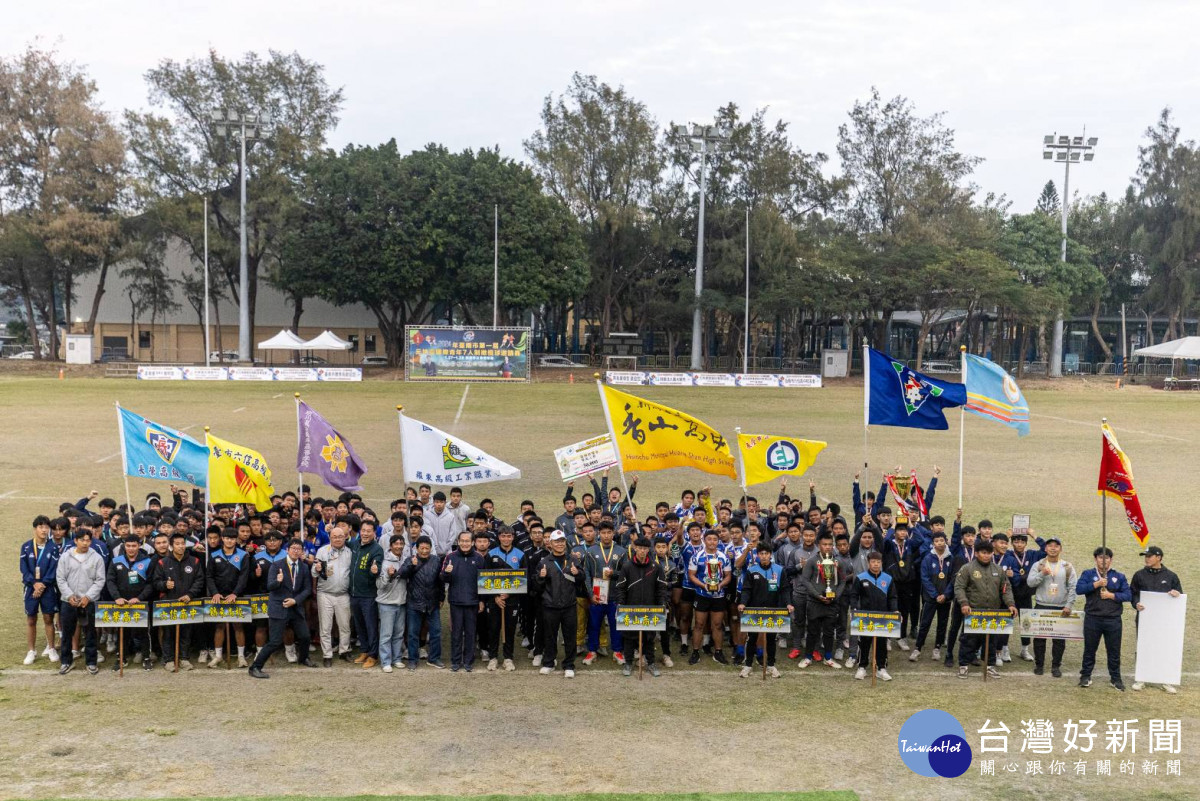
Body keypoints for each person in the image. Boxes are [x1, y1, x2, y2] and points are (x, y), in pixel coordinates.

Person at [248, 538, 317, 678]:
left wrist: (295, 600)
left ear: (302, 551)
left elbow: (307, 589)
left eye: (299, 549)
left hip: (295, 607)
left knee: (305, 636)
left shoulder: (303, 567)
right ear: (287, 550)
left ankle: (303, 658)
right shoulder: (277, 565)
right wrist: (278, 581)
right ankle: (255, 667)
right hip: (278, 606)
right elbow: (270, 586)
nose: (296, 551)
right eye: (293, 548)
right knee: (274, 641)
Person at [953, 540, 1016, 679]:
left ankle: (989, 666)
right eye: (983, 553)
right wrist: (964, 603)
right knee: (968, 640)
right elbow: (959, 587)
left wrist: (1010, 604)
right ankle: (963, 666)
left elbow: (1006, 589)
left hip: (992, 613)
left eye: (989, 553)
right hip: (973, 612)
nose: (986, 556)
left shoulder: (998, 570)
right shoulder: (967, 568)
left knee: (991, 641)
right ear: (976, 553)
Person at [612, 536, 669, 677]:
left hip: (651, 609)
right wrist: (620, 605)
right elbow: (620, 588)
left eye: (645, 548)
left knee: (649, 638)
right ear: (635, 548)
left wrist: (662, 605)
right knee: (630, 637)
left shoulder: (656, 567)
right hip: (630, 608)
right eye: (640, 548)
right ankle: (628, 663)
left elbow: (661, 588)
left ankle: (651, 663)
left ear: (648, 549)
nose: (642, 551)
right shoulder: (627, 566)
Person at [1076, 546, 1130, 691]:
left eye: (1106, 558)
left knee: (1114, 650)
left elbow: (1128, 595)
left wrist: (1112, 595)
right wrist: (1097, 584)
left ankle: (1115, 678)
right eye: (1100, 557)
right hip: (1093, 618)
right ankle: (1085, 676)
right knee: (1089, 649)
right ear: (1096, 559)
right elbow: (1079, 589)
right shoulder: (1088, 574)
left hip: (1113, 620)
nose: (1103, 560)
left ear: (1111, 560)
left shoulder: (1119, 576)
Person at [1130, 545, 1183, 693]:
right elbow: (1133, 593)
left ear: (1159, 557)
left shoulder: (1171, 576)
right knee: (1143, 646)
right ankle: (1141, 677)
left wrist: (1176, 594)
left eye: (1149, 556)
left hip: (1165, 621)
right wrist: (1136, 603)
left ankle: (1166, 679)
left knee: (1164, 647)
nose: (1146, 559)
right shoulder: (1139, 575)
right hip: (1145, 617)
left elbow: (1180, 594)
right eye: (1145, 556)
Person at [55, 528, 107, 675]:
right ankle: (66, 661)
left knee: (91, 633)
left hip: (88, 601)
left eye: (88, 540)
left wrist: (88, 597)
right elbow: (60, 578)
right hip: (68, 601)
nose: (85, 543)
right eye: (82, 540)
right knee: (67, 633)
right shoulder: (65, 557)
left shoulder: (96, 558)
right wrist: (69, 595)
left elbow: (99, 580)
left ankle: (91, 662)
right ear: (75, 541)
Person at [536, 530, 587, 678]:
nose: (560, 544)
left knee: (570, 637)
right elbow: (537, 586)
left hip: (569, 605)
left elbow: (582, 579)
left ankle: (569, 665)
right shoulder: (544, 562)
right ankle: (549, 663)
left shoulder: (573, 560)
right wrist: (541, 577)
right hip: (550, 606)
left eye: (562, 541)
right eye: (557, 541)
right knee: (550, 636)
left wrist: (577, 574)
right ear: (550, 544)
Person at [152, 532, 205, 672]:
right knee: (168, 633)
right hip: (169, 603)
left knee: (186, 633)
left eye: (183, 543)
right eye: (177, 544)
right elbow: (155, 582)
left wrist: (190, 594)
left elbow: (199, 580)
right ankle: (168, 659)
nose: (181, 546)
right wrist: (164, 585)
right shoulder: (162, 563)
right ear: (171, 546)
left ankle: (184, 658)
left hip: (188, 603)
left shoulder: (194, 561)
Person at [1025, 536, 1076, 678]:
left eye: (1056, 545)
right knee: (1039, 638)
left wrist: (1069, 605)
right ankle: (1039, 665)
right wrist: (1042, 574)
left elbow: (1073, 587)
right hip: (1041, 605)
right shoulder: (1039, 565)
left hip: (1060, 607)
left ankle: (1056, 666)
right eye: (1050, 545)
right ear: (1045, 548)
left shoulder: (1067, 566)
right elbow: (1030, 583)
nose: (1053, 548)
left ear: (1060, 549)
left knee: (1059, 640)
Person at [106, 534, 155, 670]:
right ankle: (121, 658)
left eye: (134, 546)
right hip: (121, 603)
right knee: (122, 632)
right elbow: (110, 581)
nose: (131, 549)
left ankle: (146, 658)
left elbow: (151, 584)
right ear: (124, 546)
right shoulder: (116, 561)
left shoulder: (147, 561)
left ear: (139, 546)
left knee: (144, 632)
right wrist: (117, 597)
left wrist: (140, 598)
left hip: (140, 603)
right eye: (128, 546)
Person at [737, 541, 785, 678]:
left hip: (772, 610)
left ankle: (770, 665)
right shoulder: (752, 570)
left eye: (766, 553)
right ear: (758, 555)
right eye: (761, 553)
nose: (764, 556)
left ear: (770, 555)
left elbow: (785, 590)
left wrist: (788, 604)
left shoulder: (779, 570)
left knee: (771, 638)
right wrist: (743, 603)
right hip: (754, 610)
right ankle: (748, 665)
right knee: (752, 638)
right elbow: (746, 590)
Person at [848, 550, 899, 681]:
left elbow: (892, 597)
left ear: (881, 563)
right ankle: (862, 667)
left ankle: (881, 668)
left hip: (883, 617)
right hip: (865, 616)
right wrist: (854, 609)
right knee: (864, 642)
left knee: (882, 643)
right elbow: (854, 595)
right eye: (873, 562)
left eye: (878, 562)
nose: (876, 564)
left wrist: (894, 611)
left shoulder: (888, 579)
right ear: (868, 563)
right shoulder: (861, 577)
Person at [205, 528, 251, 668]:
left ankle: (241, 657)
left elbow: (244, 578)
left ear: (236, 540)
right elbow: (209, 576)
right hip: (218, 597)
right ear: (222, 539)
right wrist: (215, 593)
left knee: (238, 626)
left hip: (237, 597)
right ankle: (218, 656)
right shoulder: (214, 555)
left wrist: (235, 593)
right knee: (219, 626)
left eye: (232, 538)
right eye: (227, 538)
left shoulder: (243, 556)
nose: (229, 540)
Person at [797, 532, 843, 669]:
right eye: (824, 544)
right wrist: (817, 595)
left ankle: (828, 657)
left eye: (830, 544)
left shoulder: (837, 561)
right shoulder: (812, 561)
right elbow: (805, 580)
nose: (827, 547)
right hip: (815, 602)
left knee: (829, 632)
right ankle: (808, 657)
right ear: (819, 545)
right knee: (812, 631)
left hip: (831, 603)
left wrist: (835, 596)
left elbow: (843, 582)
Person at [585, 521, 627, 666]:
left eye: (609, 532)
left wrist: (614, 573)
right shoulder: (591, 551)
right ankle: (592, 651)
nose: (606, 535)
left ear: (613, 533)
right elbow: (586, 574)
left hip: (615, 595)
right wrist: (591, 595)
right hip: (597, 595)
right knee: (594, 625)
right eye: (603, 533)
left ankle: (617, 651)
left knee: (616, 625)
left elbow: (626, 574)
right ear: (599, 534)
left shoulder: (621, 551)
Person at [687, 529, 732, 665]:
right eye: (709, 539)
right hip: (702, 595)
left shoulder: (723, 557)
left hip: (718, 596)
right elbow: (691, 575)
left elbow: (728, 576)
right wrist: (703, 585)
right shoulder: (697, 556)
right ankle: (695, 651)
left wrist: (720, 585)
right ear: (704, 540)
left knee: (717, 625)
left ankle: (718, 652)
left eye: (715, 539)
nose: (712, 542)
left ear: (718, 541)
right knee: (699, 624)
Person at [441, 531, 484, 672]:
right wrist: (446, 572)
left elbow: (483, 582)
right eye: (462, 541)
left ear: (472, 543)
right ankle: (455, 661)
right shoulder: (450, 557)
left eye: (468, 541)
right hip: (456, 602)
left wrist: (481, 600)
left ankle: (468, 662)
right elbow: (442, 578)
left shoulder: (479, 558)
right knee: (456, 633)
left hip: (472, 602)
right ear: (458, 542)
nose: (465, 543)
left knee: (471, 633)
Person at [484, 527, 526, 671]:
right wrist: (495, 596)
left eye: (509, 536)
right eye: (503, 536)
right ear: (499, 537)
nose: (506, 539)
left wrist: (509, 594)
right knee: (493, 629)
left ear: (513, 537)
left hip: (512, 600)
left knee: (509, 629)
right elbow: (485, 579)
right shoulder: (491, 554)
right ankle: (493, 657)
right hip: (494, 600)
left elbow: (523, 580)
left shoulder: (520, 555)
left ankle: (508, 658)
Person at [21, 515, 60, 665]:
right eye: (41, 527)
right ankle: (31, 651)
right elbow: (23, 568)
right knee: (31, 619)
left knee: (48, 618)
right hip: (31, 588)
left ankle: (51, 648)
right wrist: (34, 584)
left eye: (46, 527)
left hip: (48, 588)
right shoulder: (26, 546)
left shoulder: (53, 547)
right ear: (35, 529)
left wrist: (42, 584)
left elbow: (53, 569)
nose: (44, 530)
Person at [311, 525, 353, 666]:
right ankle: (327, 654)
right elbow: (313, 572)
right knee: (325, 626)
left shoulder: (350, 552)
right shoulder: (323, 551)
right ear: (330, 538)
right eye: (334, 536)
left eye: (340, 536)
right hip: (325, 594)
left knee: (345, 625)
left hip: (343, 594)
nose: (337, 539)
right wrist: (316, 568)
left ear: (345, 537)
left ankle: (344, 651)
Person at [401, 535, 444, 669]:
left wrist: (441, 597)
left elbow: (440, 581)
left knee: (436, 632)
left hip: (432, 602)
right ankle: (413, 659)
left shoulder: (437, 561)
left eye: (427, 548)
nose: (424, 551)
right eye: (422, 548)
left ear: (431, 548)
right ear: (416, 548)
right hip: (414, 602)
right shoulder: (410, 560)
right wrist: (411, 567)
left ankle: (434, 658)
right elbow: (402, 574)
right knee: (413, 633)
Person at [349, 519, 384, 669]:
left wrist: (374, 571)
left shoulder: (377, 549)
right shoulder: (355, 545)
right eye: (363, 530)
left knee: (371, 626)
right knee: (359, 625)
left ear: (374, 533)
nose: (365, 533)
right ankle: (364, 650)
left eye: (368, 531)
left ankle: (373, 655)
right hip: (354, 593)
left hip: (369, 595)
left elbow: (377, 567)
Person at [376, 532, 408, 673]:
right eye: (396, 544)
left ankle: (397, 659)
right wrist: (388, 576)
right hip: (386, 603)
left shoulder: (406, 560)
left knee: (398, 634)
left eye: (401, 544)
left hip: (401, 602)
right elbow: (379, 585)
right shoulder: (384, 562)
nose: (399, 546)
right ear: (390, 546)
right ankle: (385, 661)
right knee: (386, 634)